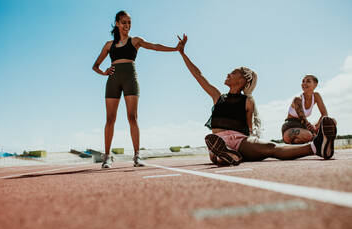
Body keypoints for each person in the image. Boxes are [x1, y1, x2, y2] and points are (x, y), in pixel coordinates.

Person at [177, 34, 337, 166]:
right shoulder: (217, 96)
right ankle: (226, 154)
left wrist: (255, 143)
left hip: (241, 140)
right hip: (219, 140)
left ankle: (317, 147)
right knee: (216, 152)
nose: (228, 74)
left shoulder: (248, 101)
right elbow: (198, 75)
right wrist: (183, 53)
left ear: (242, 80)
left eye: (233, 72)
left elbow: (248, 127)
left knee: (270, 147)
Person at [93, 11, 181, 168]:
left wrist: (175, 49)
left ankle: (137, 156)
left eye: (129, 22)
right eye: (124, 22)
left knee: (132, 117)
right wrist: (104, 72)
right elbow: (95, 66)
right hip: (113, 81)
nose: (127, 25)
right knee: (110, 119)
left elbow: (155, 47)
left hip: (130, 80)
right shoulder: (108, 45)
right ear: (117, 24)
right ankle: (107, 156)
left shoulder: (135, 41)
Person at [281, 75, 333, 144]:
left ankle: (300, 143)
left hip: (304, 128)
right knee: (308, 135)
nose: (304, 83)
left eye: (308, 81)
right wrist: (314, 132)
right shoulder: (297, 99)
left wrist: (316, 127)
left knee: (332, 122)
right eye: (303, 81)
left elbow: (324, 114)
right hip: (290, 128)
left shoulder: (316, 96)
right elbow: (304, 120)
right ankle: (316, 140)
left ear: (315, 85)